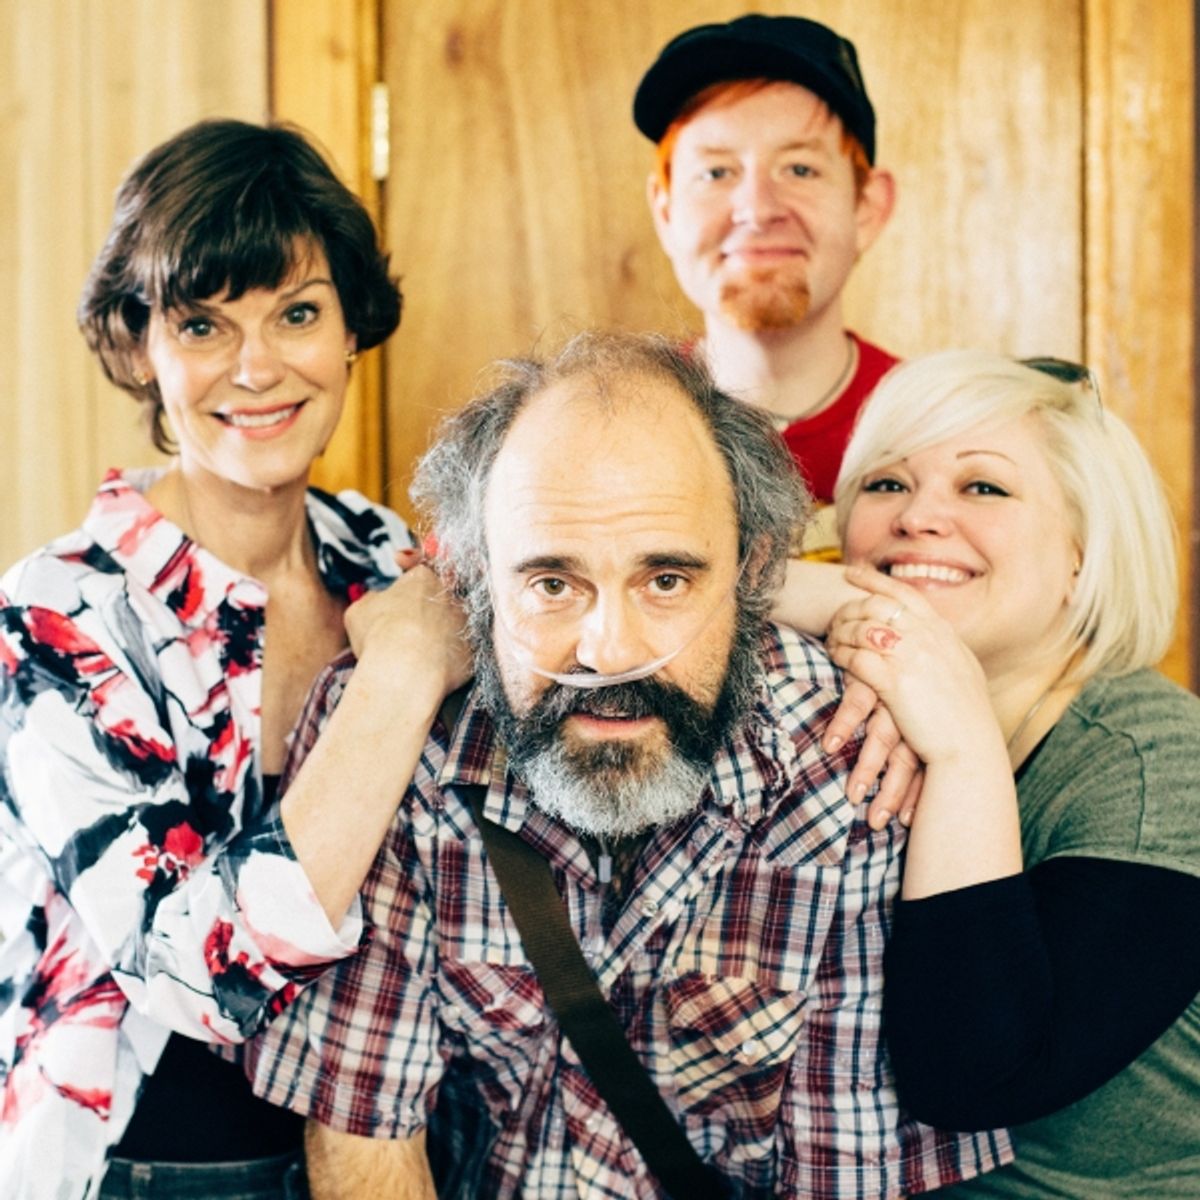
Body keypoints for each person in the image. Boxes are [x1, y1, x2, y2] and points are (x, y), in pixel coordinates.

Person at [243, 331, 1009, 1198]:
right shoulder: (393, 741)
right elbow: (365, 1137)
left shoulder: (843, 760)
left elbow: (849, 1170)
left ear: (753, 572)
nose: (609, 652)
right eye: (553, 585)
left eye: (667, 581)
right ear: (476, 583)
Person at [0, 120, 466, 1200]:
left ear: (351, 329)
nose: (257, 369)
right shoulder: (56, 614)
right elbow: (200, 973)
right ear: (138, 348)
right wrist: (395, 682)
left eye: (297, 314)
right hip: (144, 1170)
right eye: (204, 325)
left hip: (388, 1153)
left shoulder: (389, 559)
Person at [805, 349, 1200, 1196]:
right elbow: (669, 588)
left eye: (983, 487)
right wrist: (839, 606)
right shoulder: (835, 703)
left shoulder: (1157, 764)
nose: (917, 518)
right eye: (884, 484)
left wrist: (963, 745)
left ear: (1081, 558)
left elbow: (972, 1078)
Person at [635, 13, 898, 558]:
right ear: (664, 211)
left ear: (867, 207)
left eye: (799, 169)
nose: (757, 210)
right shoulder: (610, 428)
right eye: (716, 173)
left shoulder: (944, 431)